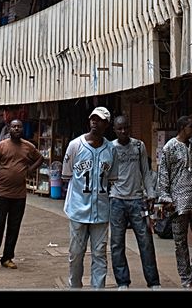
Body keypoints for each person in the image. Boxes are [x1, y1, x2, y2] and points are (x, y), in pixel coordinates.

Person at [62, 106, 116, 289]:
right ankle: (74, 286)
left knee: (100, 253)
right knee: (76, 254)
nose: (95, 122)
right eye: (93, 118)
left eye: (99, 119)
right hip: (78, 209)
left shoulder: (111, 149)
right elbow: (67, 176)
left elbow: (112, 179)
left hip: (101, 210)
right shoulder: (75, 145)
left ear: (106, 124)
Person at [108, 114, 161, 289]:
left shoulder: (139, 146)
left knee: (145, 241)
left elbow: (145, 172)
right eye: (119, 128)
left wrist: (151, 193)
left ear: (129, 128)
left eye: (126, 128)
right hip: (117, 201)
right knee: (117, 243)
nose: (123, 131)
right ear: (114, 130)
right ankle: (122, 281)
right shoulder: (110, 148)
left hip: (138, 200)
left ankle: (153, 282)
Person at [156, 116, 192, 289]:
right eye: (191, 126)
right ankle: (186, 278)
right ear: (181, 128)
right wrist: (165, 198)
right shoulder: (169, 147)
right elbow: (163, 174)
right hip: (177, 203)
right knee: (180, 244)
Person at [0, 119, 42, 271]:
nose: (16, 129)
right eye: (14, 127)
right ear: (9, 129)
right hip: (2, 194)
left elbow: (40, 158)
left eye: (19, 127)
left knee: (14, 228)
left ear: (22, 129)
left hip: (19, 196)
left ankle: (7, 257)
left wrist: (29, 170)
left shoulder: (28, 147)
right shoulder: (1, 146)